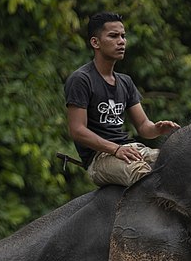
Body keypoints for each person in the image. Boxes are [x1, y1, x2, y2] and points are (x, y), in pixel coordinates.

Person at [64, 11, 180, 187]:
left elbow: (143, 127)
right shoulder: (81, 79)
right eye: (113, 36)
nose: (121, 41)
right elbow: (77, 130)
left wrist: (157, 128)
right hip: (100, 158)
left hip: (129, 149)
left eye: (123, 36)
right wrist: (115, 149)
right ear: (95, 42)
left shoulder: (125, 81)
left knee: (180, 161)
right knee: (143, 175)